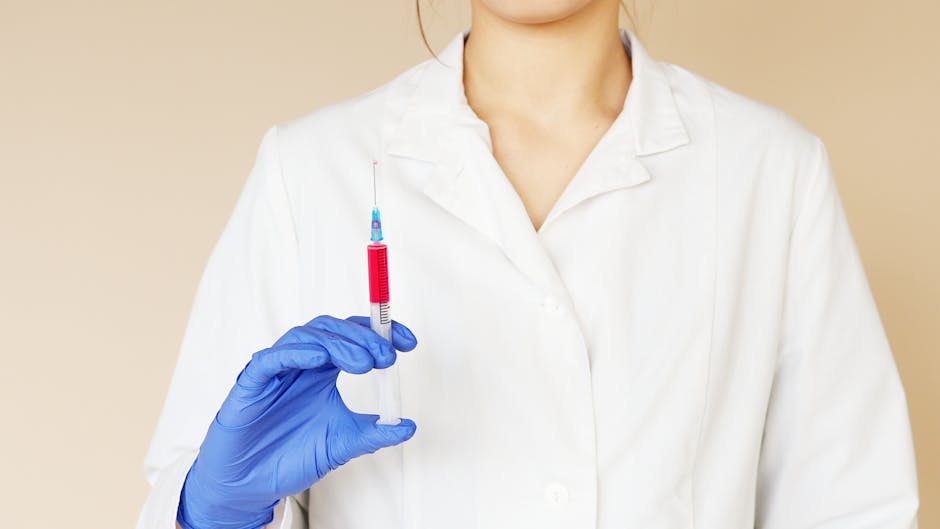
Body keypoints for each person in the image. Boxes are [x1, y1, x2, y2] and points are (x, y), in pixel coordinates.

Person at [136, 1, 921, 528]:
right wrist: (210, 514)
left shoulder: (769, 172)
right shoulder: (309, 172)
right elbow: (187, 490)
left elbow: (855, 507)